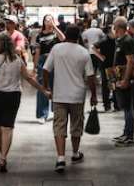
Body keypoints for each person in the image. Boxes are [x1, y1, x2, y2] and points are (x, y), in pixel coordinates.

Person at [0, 32, 51, 173]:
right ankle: (3, 157)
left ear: (0, 44)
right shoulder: (17, 60)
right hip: (13, 96)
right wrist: (43, 90)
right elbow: (29, 78)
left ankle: (1, 155)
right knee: (8, 127)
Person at [42, 24, 98, 174]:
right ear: (78, 36)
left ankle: (60, 158)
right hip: (77, 95)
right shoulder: (84, 52)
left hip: (59, 95)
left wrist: (46, 87)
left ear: (65, 35)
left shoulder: (57, 49)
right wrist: (93, 95)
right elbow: (91, 77)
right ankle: (75, 153)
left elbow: (46, 70)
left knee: (59, 126)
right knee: (76, 125)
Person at [33, 14, 65, 123]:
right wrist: (35, 67)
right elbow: (37, 52)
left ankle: (54, 111)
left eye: (50, 19)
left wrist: (55, 27)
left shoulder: (56, 34)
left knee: (55, 86)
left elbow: (63, 38)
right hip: (43, 61)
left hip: (55, 61)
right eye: (46, 19)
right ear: (43, 22)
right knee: (42, 87)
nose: (48, 21)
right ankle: (42, 114)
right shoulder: (39, 35)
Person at [112, 16, 134, 147]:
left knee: (128, 107)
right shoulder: (120, 40)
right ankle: (126, 133)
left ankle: (129, 136)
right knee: (125, 106)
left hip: (126, 78)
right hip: (120, 77)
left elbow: (131, 61)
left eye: (114, 26)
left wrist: (126, 79)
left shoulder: (127, 40)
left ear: (118, 27)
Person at [96, 25, 117, 111]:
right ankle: (107, 104)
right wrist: (101, 57)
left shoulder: (115, 39)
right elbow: (92, 47)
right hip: (106, 66)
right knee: (107, 85)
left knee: (113, 85)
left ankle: (115, 104)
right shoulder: (104, 40)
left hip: (113, 65)